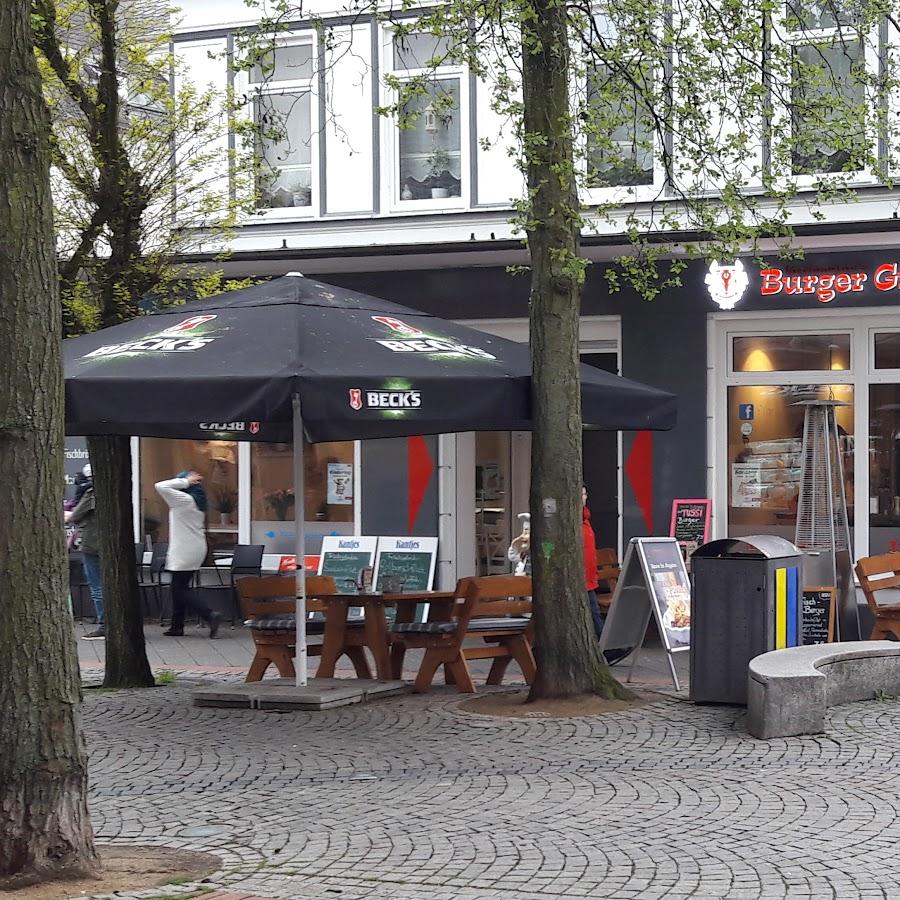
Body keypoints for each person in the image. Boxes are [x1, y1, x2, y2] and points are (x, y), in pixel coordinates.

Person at [155, 471, 221, 638]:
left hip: (183, 550)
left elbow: (160, 486)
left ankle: (209, 615)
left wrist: (184, 481)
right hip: (195, 548)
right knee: (179, 586)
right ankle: (177, 626)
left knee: (179, 589)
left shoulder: (184, 499)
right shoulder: (198, 501)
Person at [65, 464, 104, 639]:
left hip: (92, 543)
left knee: (96, 586)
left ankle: (104, 625)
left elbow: (76, 515)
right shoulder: (115, 492)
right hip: (111, 545)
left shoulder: (91, 493)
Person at [582, 484, 605, 640]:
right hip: (581, 576)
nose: (583, 497)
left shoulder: (585, 518)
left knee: (593, 611)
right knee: (593, 611)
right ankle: (606, 646)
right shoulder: (578, 520)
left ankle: (605, 645)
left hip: (588, 576)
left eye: (584, 494)